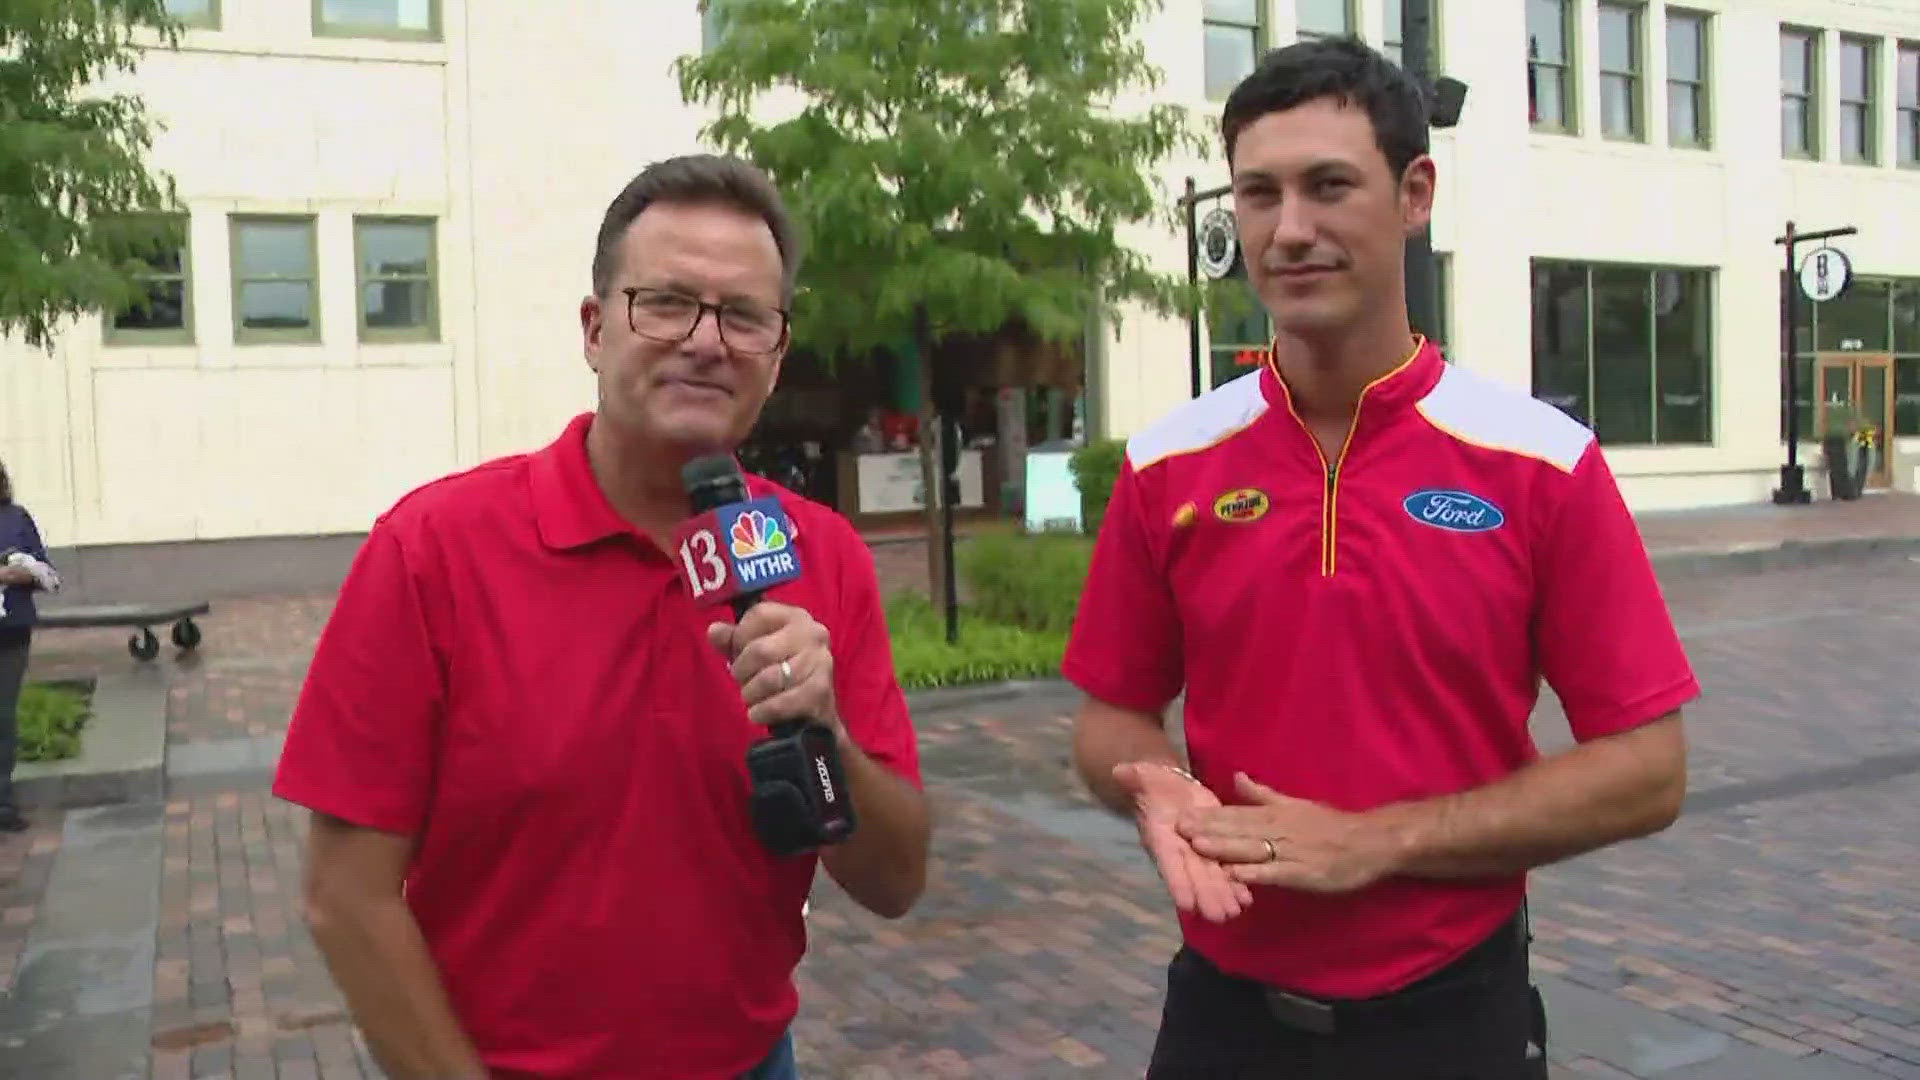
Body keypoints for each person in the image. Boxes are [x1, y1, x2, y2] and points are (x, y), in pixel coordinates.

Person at [1062, 39, 1695, 1079]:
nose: (1291, 229)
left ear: (1415, 195)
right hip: (1223, 1019)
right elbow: (1108, 719)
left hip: (1450, 1017)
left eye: (1329, 186)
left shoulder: (1541, 463)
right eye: (1259, 194)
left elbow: (1649, 770)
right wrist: (1155, 785)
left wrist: (1380, 840)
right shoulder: (1168, 464)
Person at [273, 154, 932, 1080]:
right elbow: (346, 897)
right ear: (594, 329)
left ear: (777, 356)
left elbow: (896, 881)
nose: (706, 341)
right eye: (665, 302)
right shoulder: (433, 550)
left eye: (743, 316)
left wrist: (827, 738)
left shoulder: (823, 558)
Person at [0, 458, 61, 834]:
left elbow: (47, 573)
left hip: (11, 632)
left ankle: (2, 802)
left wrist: (18, 573)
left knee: (3, 716)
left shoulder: (16, 517)